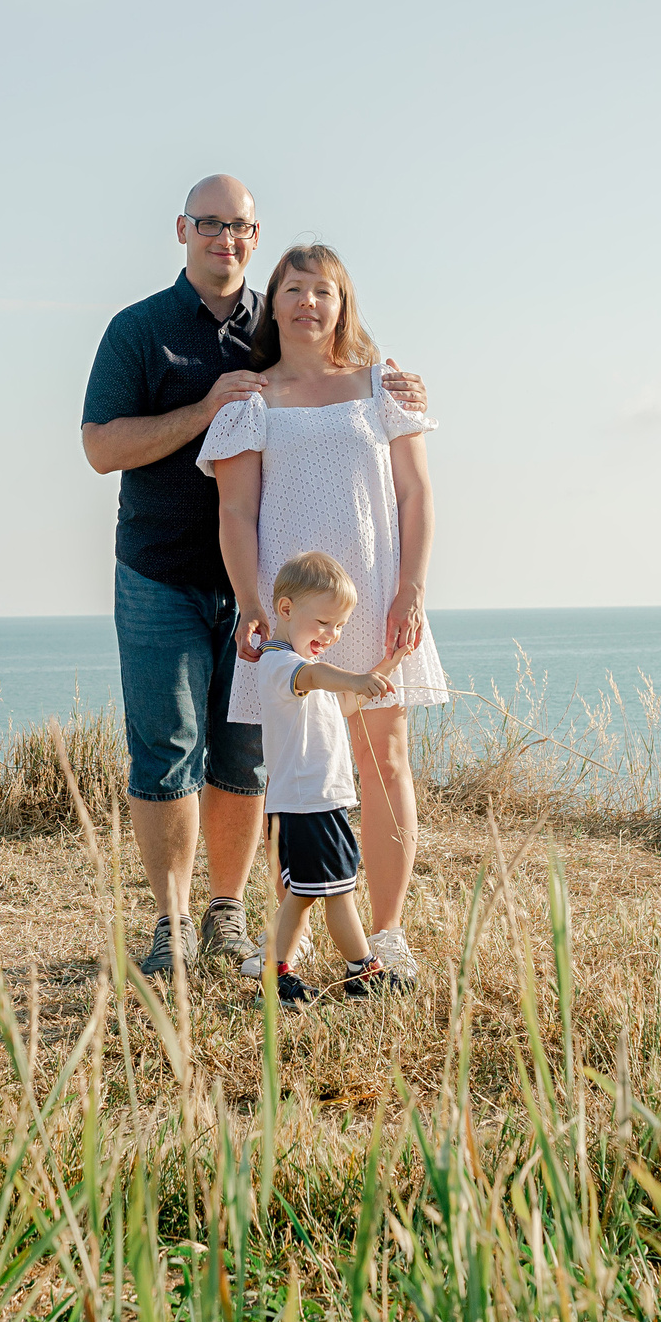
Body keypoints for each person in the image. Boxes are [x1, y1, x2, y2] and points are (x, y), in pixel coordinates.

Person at [80, 177, 429, 977]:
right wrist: (203, 408)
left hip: (300, 590)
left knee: (247, 760)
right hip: (171, 572)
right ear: (183, 230)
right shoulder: (140, 331)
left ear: (254, 234)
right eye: (210, 224)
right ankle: (173, 924)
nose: (224, 238)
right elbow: (101, 449)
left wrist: (396, 384)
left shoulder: (278, 339)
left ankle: (232, 917)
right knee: (167, 749)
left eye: (238, 227)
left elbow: (377, 431)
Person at [200, 243, 445, 985]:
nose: (309, 302)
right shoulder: (250, 398)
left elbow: (414, 495)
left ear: (344, 305)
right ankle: (293, 934)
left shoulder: (384, 385)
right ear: (271, 302)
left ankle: (388, 930)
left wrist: (412, 586)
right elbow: (236, 510)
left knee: (383, 759)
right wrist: (250, 602)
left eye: (325, 291)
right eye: (295, 289)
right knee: (299, 773)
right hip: (288, 608)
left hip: (373, 593)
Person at [247, 550, 404, 1006]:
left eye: (339, 626)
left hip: (311, 802)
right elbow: (317, 676)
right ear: (286, 609)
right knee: (334, 891)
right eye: (323, 623)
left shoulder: (301, 673)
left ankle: (279, 975)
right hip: (307, 803)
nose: (332, 635)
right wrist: (354, 678)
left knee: (312, 893)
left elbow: (344, 704)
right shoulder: (282, 667)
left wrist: (385, 669)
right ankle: (363, 972)